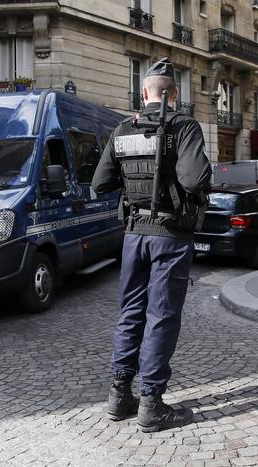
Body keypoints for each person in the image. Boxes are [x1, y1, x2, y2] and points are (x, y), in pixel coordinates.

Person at [92, 57, 212, 431]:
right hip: (170, 236)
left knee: (131, 312)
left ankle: (119, 395)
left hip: (133, 235)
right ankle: (151, 403)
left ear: (143, 94)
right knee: (161, 314)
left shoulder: (122, 129)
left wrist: (133, 183)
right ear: (174, 95)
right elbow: (193, 180)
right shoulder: (184, 126)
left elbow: (100, 184)